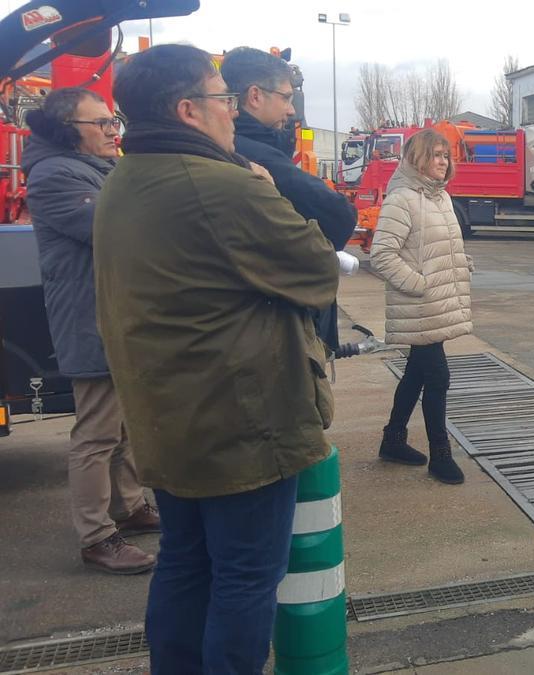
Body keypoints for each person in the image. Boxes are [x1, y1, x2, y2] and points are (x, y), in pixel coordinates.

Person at [92, 44, 339, 671]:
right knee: (247, 577)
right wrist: (268, 190)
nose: (232, 111)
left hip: (168, 418)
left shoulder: (126, 178)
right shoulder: (222, 185)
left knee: (185, 561)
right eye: (222, 98)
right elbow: (315, 269)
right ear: (187, 110)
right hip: (240, 426)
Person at [22, 87, 159, 575]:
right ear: (66, 130)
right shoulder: (56, 175)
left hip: (114, 315)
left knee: (122, 425)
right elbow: (119, 228)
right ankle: (96, 535)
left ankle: (129, 505)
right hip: (91, 319)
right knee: (97, 432)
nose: (111, 130)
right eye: (99, 123)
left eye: (112, 120)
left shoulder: (97, 169)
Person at [220, 46, 356, 352]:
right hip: (277, 325)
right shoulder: (251, 155)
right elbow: (338, 214)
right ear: (255, 96)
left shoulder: (239, 148)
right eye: (286, 97)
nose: (291, 110)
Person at [371, 128, 473, 485]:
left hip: (435, 303)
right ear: (417, 159)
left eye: (446, 155)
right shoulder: (402, 199)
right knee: (437, 376)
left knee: (418, 372)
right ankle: (440, 455)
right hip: (421, 303)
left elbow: (430, 246)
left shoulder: (439, 197)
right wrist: (420, 285)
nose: (443, 162)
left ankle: (393, 439)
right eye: (435, 155)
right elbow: (382, 254)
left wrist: (459, 263)